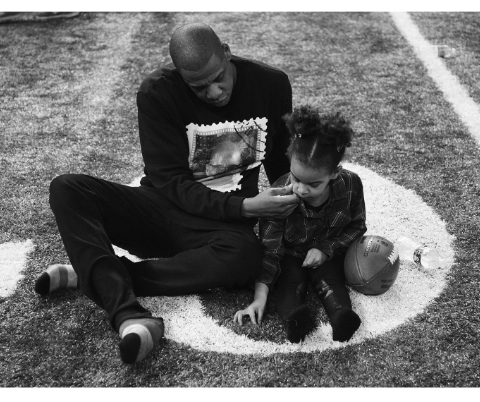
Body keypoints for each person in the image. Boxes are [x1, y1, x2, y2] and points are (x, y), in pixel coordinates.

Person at [34, 23, 298, 364]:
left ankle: (96, 275)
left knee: (247, 256)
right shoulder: (157, 93)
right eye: (198, 87)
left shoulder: (271, 84)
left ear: (227, 52)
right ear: (180, 75)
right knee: (68, 188)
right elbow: (170, 182)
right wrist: (247, 207)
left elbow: (281, 164)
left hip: (222, 230)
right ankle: (129, 314)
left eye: (219, 78)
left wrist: (299, 209)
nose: (214, 92)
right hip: (161, 211)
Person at [233, 105, 367, 343]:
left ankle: (341, 317)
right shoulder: (279, 197)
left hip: (328, 252)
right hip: (290, 255)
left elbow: (356, 227)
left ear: (334, 173)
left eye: (313, 184)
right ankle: (294, 320)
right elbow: (270, 251)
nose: (301, 189)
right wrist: (259, 298)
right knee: (290, 281)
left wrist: (326, 250)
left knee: (331, 279)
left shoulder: (350, 185)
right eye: (296, 178)